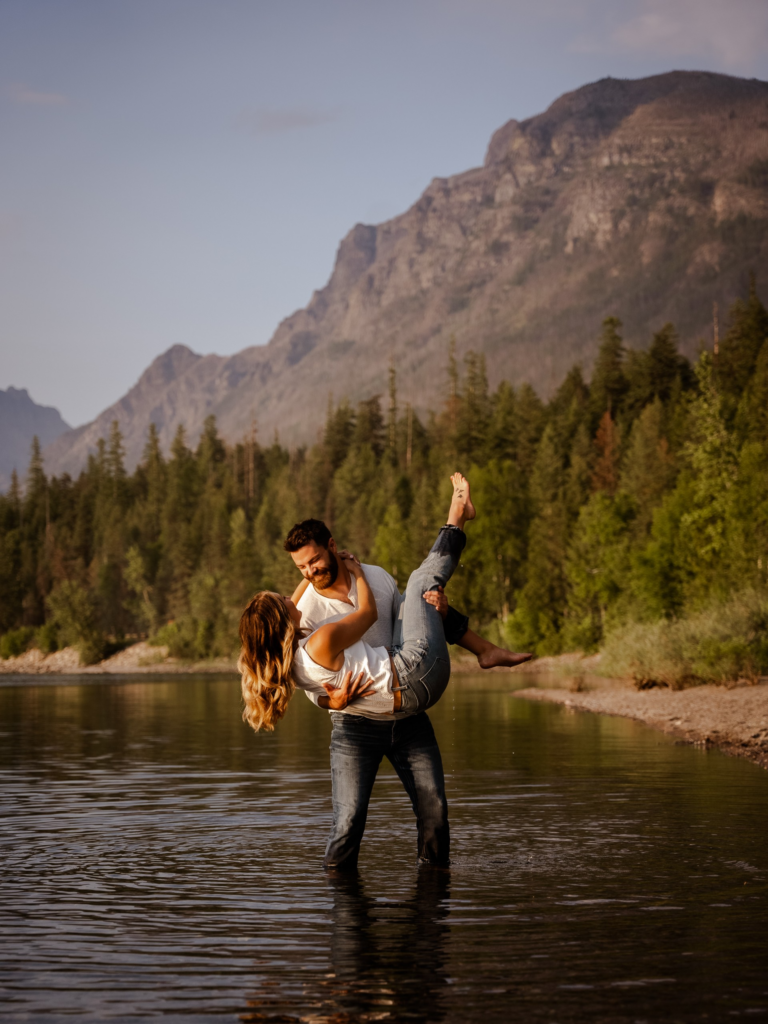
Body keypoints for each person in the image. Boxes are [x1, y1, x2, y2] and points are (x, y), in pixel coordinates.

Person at [238, 474, 531, 868]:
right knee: (348, 822)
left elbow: (402, 626)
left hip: (407, 710)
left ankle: (432, 889)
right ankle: (457, 515)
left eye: (313, 562)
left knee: (435, 814)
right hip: (361, 719)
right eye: (299, 567)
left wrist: (435, 612)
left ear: (332, 547)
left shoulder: (369, 584)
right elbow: (336, 650)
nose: (306, 574)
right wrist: (330, 701)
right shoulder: (311, 615)